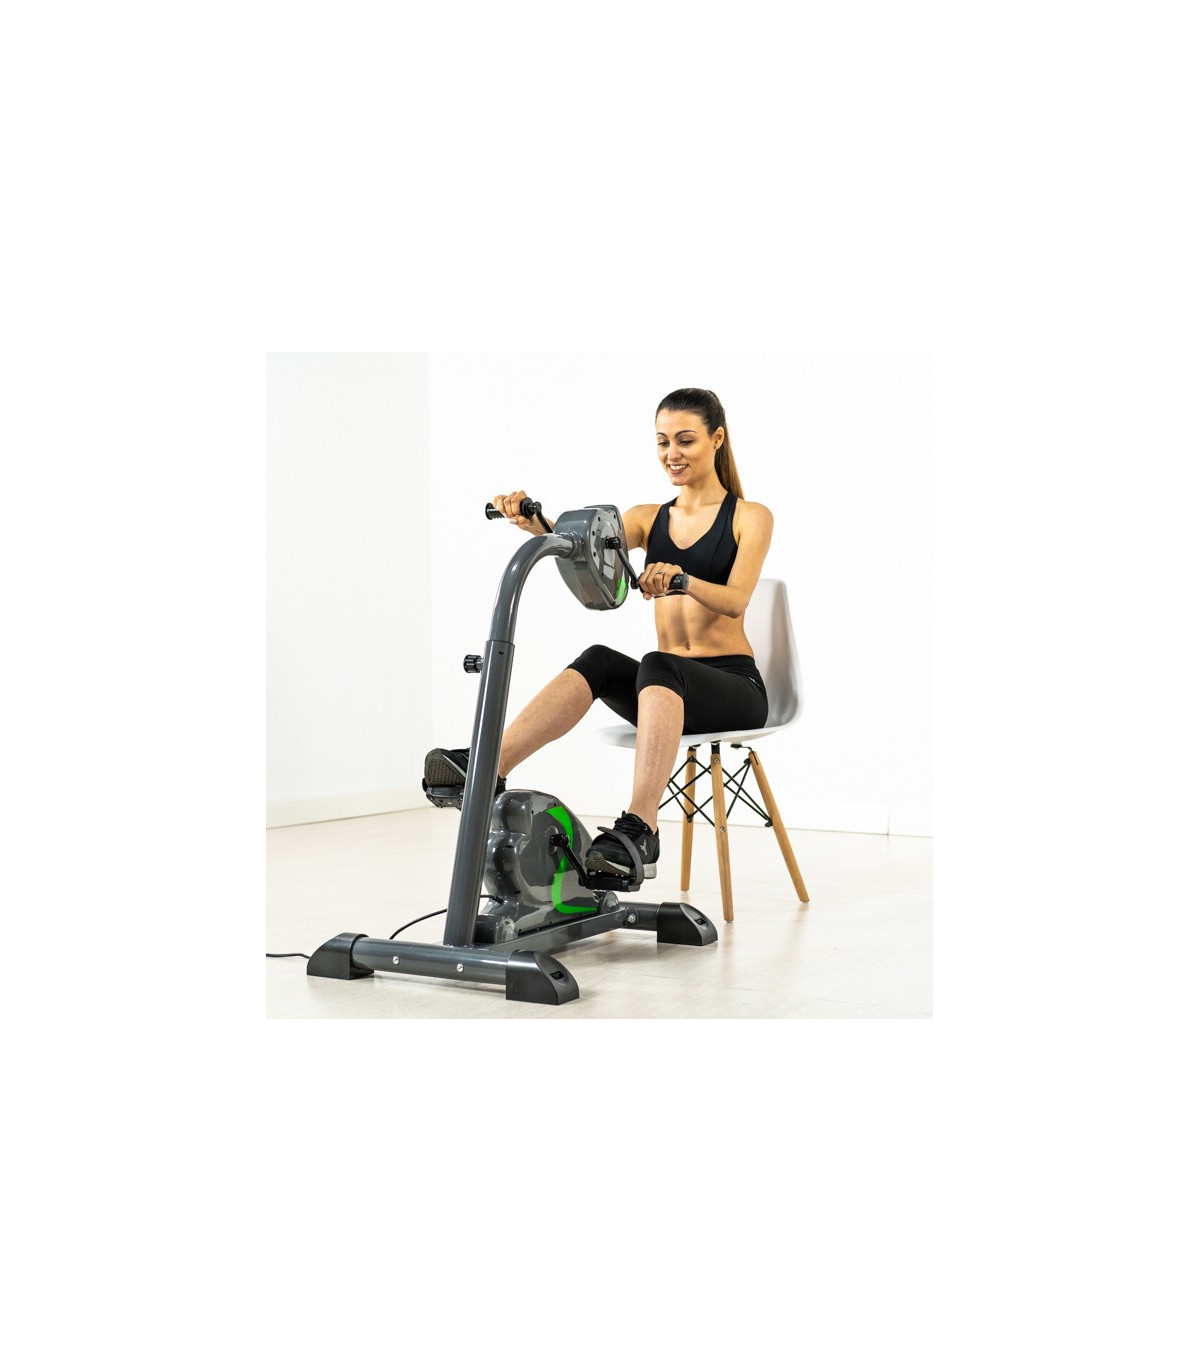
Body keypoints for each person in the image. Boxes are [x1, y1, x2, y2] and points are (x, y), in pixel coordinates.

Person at [424, 387, 774, 882]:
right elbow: (586, 545)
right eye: (662, 442)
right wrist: (535, 522)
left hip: (733, 688)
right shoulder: (648, 518)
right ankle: (485, 769)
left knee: (658, 663)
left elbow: (737, 599)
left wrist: (682, 580)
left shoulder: (749, 516)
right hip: (666, 694)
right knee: (600, 660)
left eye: (685, 440)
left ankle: (641, 828)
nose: (671, 454)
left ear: (716, 439)